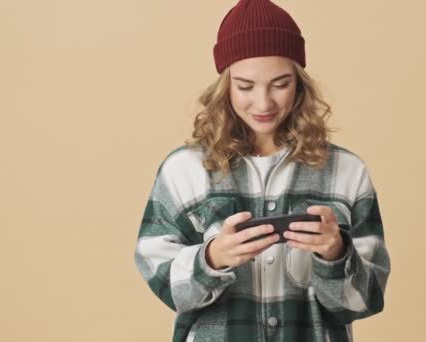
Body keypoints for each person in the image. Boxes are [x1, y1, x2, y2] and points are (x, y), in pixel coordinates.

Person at [133, 1, 391, 341]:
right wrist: (212, 258)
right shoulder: (184, 170)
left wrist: (335, 254)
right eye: (245, 86)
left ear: (299, 83)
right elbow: (162, 280)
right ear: (224, 85)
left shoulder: (346, 172)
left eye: (280, 83)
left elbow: (365, 301)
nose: (264, 103)